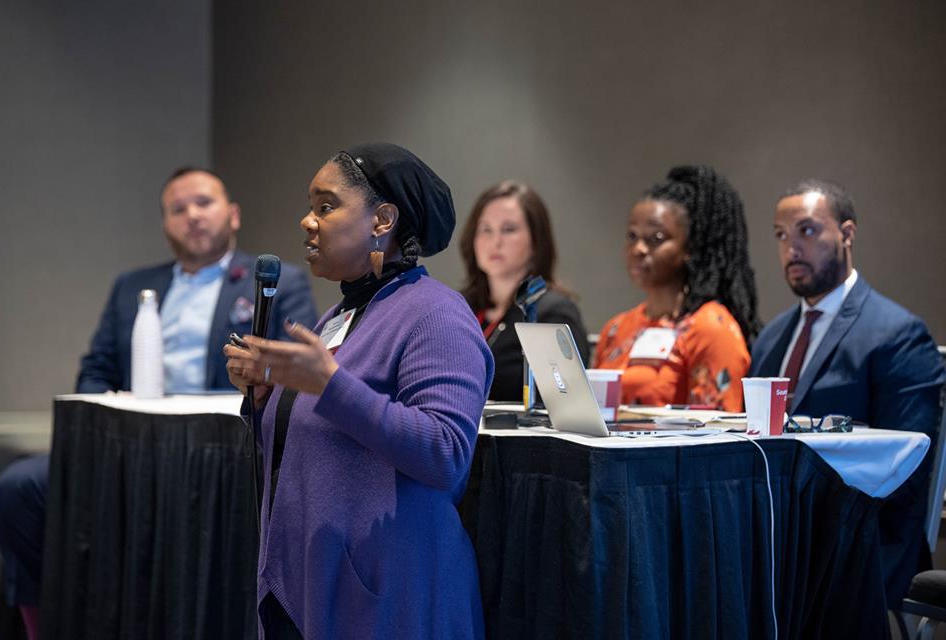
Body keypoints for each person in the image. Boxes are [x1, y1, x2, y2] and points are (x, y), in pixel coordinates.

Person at [0, 167, 318, 639]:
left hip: (221, 450)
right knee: (19, 487)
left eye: (203, 203)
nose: (192, 216)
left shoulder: (276, 281)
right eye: (177, 209)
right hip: (129, 445)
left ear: (232, 215)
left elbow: (291, 379)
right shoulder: (132, 286)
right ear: (165, 224)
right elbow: (96, 368)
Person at [224, 143, 493, 639]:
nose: (308, 221)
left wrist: (330, 385)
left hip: (391, 599)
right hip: (307, 586)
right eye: (310, 207)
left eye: (326, 206)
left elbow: (445, 452)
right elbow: (312, 448)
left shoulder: (436, 313)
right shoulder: (339, 318)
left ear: (382, 220)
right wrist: (264, 404)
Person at [749, 178, 945, 606]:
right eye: (781, 236)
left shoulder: (897, 334)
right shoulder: (771, 339)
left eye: (807, 231)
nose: (791, 249)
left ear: (847, 234)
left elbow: (905, 472)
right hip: (773, 530)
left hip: (859, 540)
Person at [593, 165, 761, 411]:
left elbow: (716, 433)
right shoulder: (615, 329)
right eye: (632, 236)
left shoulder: (710, 329)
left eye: (656, 239)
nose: (638, 249)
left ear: (690, 248)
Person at [459, 180, 589, 401]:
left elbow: (568, 401)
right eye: (486, 230)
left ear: (536, 240)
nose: (495, 241)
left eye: (508, 230)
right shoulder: (457, 307)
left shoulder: (552, 312)